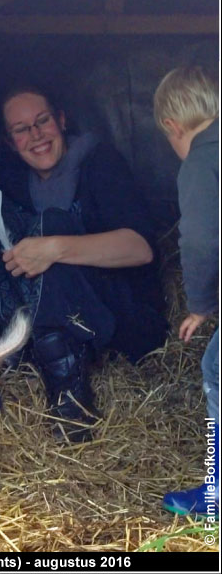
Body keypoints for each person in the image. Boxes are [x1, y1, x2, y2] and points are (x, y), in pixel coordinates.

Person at [0, 84, 168, 442]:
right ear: (9, 141)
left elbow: (140, 249)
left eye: (42, 121)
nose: (36, 135)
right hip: (54, 321)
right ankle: (9, 354)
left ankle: (71, 406)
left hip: (126, 319)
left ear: (61, 120)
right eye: (21, 129)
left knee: (53, 224)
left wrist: (56, 247)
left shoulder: (98, 163)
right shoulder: (17, 181)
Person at [153, 65, 219, 517]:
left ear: (173, 127)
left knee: (216, 370)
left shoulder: (200, 162)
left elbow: (200, 239)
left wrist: (200, 303)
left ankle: (217, 495)